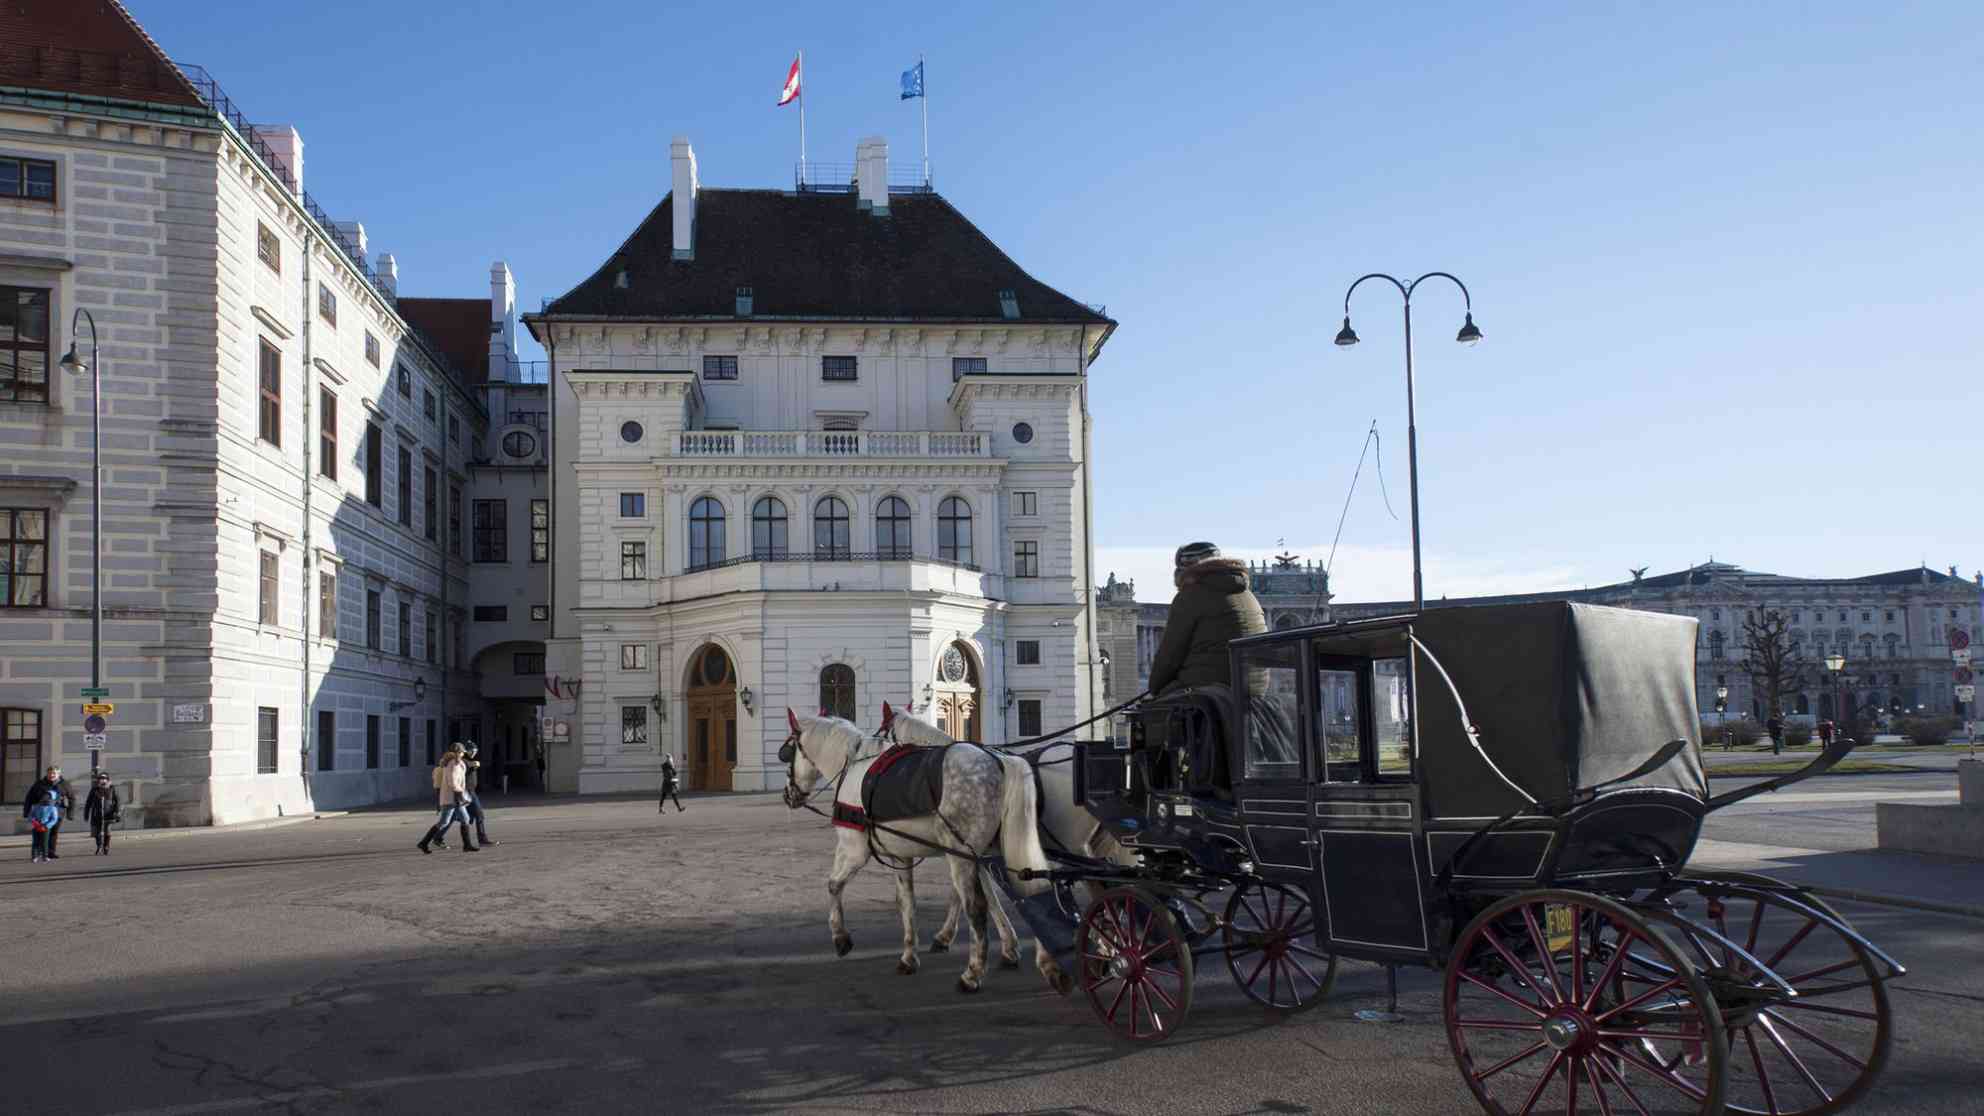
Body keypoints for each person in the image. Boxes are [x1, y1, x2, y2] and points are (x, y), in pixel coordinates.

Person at [1147, 541, 1267, 695]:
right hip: (1254, 688)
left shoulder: (1191, 595)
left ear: (1185, 569)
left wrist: (1155, 688)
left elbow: (1169, 656)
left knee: (1151, 705)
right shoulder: (1247, 594)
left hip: (1209, 687)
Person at [418, 746, 478, 854]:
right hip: (452, 797)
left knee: (465, 819)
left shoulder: (456, 763)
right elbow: (452, 782)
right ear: (457, 752)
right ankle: (423, 843)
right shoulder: (452, 764)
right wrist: (460, 794)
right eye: (461, 752)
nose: (463, 754)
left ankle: (467, 845)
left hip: (455, 798)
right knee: (444, 822)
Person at [22, 765, 73, 860]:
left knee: (53, 832)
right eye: (49, 773)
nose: (51, 775)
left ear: (58, 774)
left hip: (58, 812)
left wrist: (70, 813)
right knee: (40, 832)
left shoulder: (65, 784)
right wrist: (26, 811)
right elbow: (29, 798)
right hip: (42, 813)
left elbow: (72, 798)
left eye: (54, 773)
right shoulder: (39, 784)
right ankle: (40, 851)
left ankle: (50, 852)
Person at [461, 743, 497, 846]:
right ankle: (482, 839)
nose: (474, 753)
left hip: (471, 791)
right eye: (471, 750)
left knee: (452, 818)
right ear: (466, 751)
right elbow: (466, 764)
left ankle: (437, 837)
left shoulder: (470, 759)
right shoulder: (463, 760)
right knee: (479, 815)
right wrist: (474, 764)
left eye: (475, 751)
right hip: (467, 791)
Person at [83, 771, 120, 855]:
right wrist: (86, 814)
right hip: (97, 813)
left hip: (108, 813)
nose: (102, 780)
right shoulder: (94, 789)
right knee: (97, 832)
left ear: (107, 779)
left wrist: (117, 812)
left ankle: (106, 846)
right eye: (101, 779)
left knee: (107, 831)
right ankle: (99, 846)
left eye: (104, 778)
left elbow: (117, 801)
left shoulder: (112, 788)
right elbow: (88, 802)